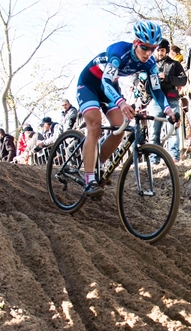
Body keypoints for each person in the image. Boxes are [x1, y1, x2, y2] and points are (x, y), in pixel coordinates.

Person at [76, 20, 177, 198]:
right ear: (136, 43)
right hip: (90, 84)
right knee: (95, 126)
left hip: (110, 88)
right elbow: (105, 82)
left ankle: (97, 165)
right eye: (145, 47)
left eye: (152, 49)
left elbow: (155, 89)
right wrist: (122, 102)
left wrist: (168, 109)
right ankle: (88, 178)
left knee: (119, 128)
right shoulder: (118, 52)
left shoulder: (149, 63)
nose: (148, 53)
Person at [149, 38, 187, 162]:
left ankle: (174, 157)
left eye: (162, 50)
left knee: (173, 129)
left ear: (167, 50)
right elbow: (138, 77)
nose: (160, 53)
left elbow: (183, 80)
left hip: (171, 100)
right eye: (158, 50)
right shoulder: (149, 64)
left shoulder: (175, 64)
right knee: (154, 130)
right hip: (155, 100)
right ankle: (155, 158)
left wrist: (167, 78)